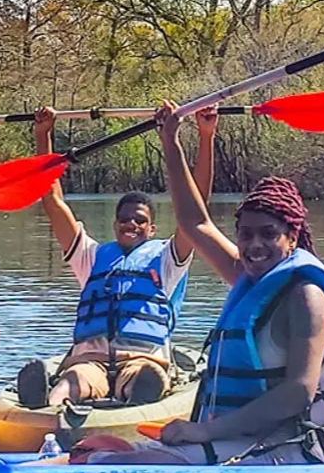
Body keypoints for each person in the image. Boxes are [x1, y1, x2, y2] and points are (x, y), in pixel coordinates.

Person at [78, 103, 324, 466]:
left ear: (293, 236)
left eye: (269, 234)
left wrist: (204, 431)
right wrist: (170, 140)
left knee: (106, 465)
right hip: (236, 442)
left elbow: (298, 393)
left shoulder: (307, 296)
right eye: (245, 235)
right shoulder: (249, 276)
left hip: (286, 450)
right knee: (89, 452)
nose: (254, 246)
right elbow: (194, 222)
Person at [15, 104, 217, 409]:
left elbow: (196, 203)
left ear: (152, 228)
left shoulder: (167, 259)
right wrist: (43, 136)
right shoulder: (91, 257)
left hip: (142, 360)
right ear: (115, 224)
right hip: (90, 361)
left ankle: (137, 400)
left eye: (139, 220)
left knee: (144, 377)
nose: (130, 224)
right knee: (74, 380)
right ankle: (47, 405)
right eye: (124, 219)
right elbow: (53, 202)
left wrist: (206, 136)